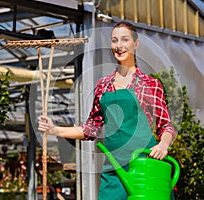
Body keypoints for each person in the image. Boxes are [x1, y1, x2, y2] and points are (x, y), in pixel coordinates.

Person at [38, 21, 177, 200]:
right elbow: (90, 129)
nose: (119, 46)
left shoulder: (149, 84)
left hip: (145, 165)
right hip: (113, 168)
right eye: (114, 40)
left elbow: (166, 125)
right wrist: (54, 130)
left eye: (124, 40)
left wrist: (163, 145)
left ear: (136, 44)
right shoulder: (103, 86)